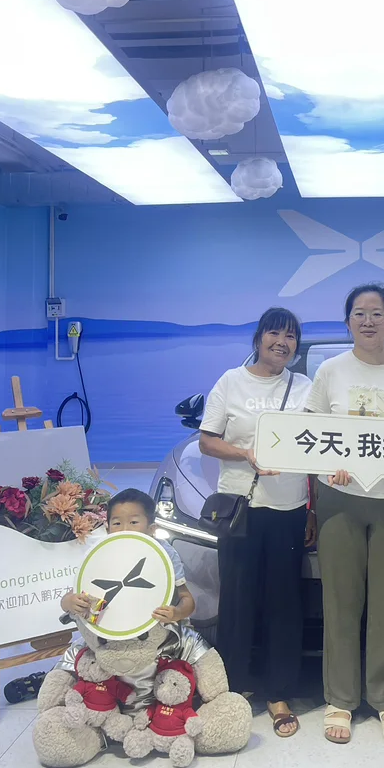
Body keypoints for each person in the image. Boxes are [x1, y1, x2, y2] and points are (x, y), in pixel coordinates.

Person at [305, 283, 384, 745]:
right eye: (359, 313)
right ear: (348, 322)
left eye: (377, 313)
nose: (368, 321)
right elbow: (310, 430)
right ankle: (340, 699)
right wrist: (327, 465)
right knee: (340, 601)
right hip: (340, 498)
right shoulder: (331, 371)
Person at [199, 307, 314, 738]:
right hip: (240, 507)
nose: (281, 342)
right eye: (274, 334)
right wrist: (245, 454)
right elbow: (207, 441)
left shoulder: (304, 387)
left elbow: (318, 448)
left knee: (284, 603)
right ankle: (232, 688)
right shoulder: (231, 382)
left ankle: (278, 693)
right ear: (259, 337)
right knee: (237, 600)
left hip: (289, 507)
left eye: (290, 336)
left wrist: (313, 509)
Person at [62, 487, 195, 624]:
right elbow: (68, 598)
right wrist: (70, 602)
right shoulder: (100, 554)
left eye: (134, 522)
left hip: (157, 627)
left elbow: (186, 598)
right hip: (113, 627)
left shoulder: (165, 554)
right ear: (108, 529)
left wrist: (177, 613)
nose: (125, 529)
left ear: (151, 529)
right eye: (117, 523)